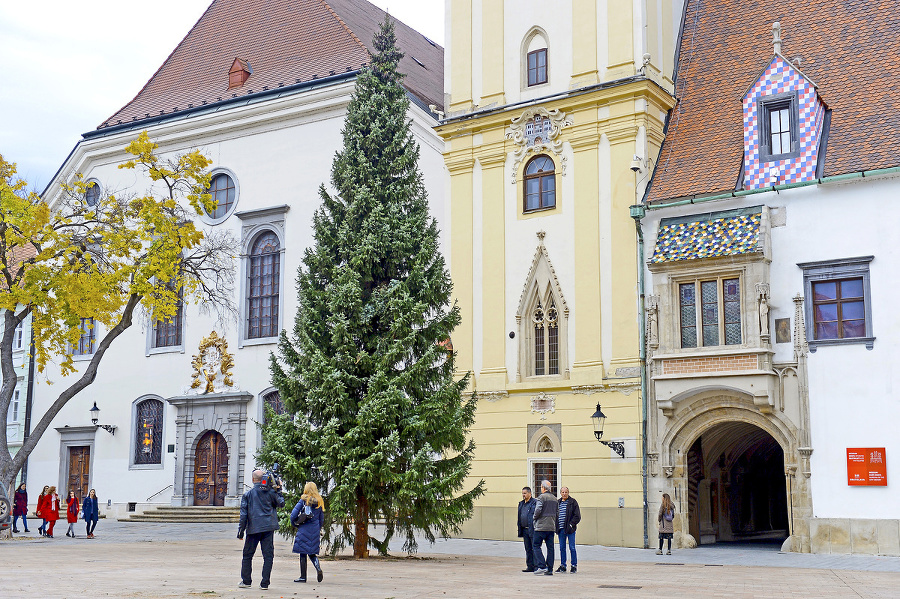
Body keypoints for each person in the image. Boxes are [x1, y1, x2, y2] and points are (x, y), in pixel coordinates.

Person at [238, 469, 285, 590]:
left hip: (253, 528)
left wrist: (241, 531)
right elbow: (281, 504)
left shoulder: (247, 495)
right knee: (268, 556)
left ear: (253, 480)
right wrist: (279, 490)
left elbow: (243, 515)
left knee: (247, 555)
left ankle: (246, 581)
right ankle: (264, 583)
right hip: (268, 528)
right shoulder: (271, 492)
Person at [290, 482, 325, 584]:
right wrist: (317, 528)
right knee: (312, 552)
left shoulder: (303, 500)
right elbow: (321, 519)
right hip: (314, 529)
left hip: (304, 528)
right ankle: (318, 567)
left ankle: (303, 577)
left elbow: (293, 515)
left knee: (303, 553)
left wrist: (295, 524)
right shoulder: (319, 501)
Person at [531, 479, 558, 576]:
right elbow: (557, 513)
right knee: (550, 548)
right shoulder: (555, 498)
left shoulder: (541, 497)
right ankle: (549, 569)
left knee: (536, 545)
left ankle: (542, 566)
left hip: (541, 526)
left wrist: (534, 518)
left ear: (543, 488)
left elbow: (538, 510)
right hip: (551, 526)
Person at [556, 486, 581, 573]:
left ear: (568, 492)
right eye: (562, 492)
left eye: (566, 492)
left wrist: (571, 524)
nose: (564, 494)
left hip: (570, 529)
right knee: (562, 548)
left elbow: (577, 516)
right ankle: (563, 565)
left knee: (572, 547)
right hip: (561, 529)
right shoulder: (558, 502)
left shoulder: (572, 502)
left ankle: (574, 565)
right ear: (560, 493)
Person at [516, 486, 537, 572]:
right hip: (524, 529)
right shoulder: (521, 503)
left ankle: (536, 566)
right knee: (527, 548)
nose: (523, 495)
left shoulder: (534, 503)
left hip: (532, 529)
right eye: (522, 493)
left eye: (525, 493)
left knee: (534, 548)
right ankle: (530, 566)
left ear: (530, 493)